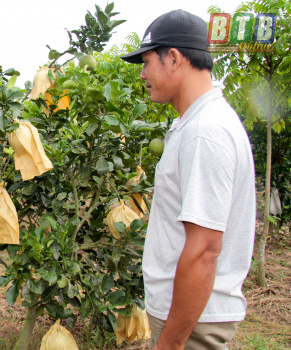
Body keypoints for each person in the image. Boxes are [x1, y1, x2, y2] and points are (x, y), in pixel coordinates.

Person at [120, 10, 256, 350]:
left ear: (174, 59)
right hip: (190, 314)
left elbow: (205, 251)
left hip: (193, 320)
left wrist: (170, 344)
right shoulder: (193, 123)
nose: (142, 74)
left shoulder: (205, 132)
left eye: (146, 62)